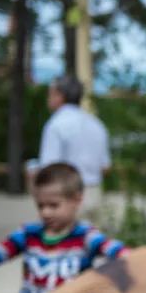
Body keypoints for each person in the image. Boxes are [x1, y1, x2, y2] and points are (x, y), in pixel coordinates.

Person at [0, 162, 129, 293]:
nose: (45, 213)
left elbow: (119, 252)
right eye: (40, 206)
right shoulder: (28, 234)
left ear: (77, 200)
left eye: (53, 205)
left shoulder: (86, 236)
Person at [34, 75, 112, 223]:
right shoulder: (96, 124)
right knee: (93, 242)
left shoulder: (56, 125)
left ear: (59, 96)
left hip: (66, 197)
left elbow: (50, 169)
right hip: (94, 193)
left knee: (66, 244)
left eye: (50, 94)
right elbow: (105, 167)